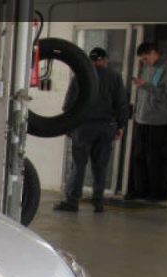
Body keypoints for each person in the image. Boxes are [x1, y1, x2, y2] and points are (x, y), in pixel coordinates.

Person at [55, 47, 129, 213]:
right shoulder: (115, 77)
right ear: (105, 60)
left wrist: (68, 125)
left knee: (78, 165)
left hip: (83, 127)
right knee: (100, 166)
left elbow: (69, 104)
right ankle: (98, 202)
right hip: (106, 127)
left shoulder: (81, 77)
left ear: (90, 60)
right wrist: (120, 126)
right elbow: (122, 104)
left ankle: (72, 201)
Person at [127, 41, 167, 202]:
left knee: (155, 159)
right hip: (141, 119)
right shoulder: (145, 68)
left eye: (146, 58)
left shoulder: (166, 69)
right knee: (139, 156)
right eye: (142, 59)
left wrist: (145, 85)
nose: (144, 62)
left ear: (154, 53)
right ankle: (140, 190)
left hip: (158, 122)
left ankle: (157, 192)